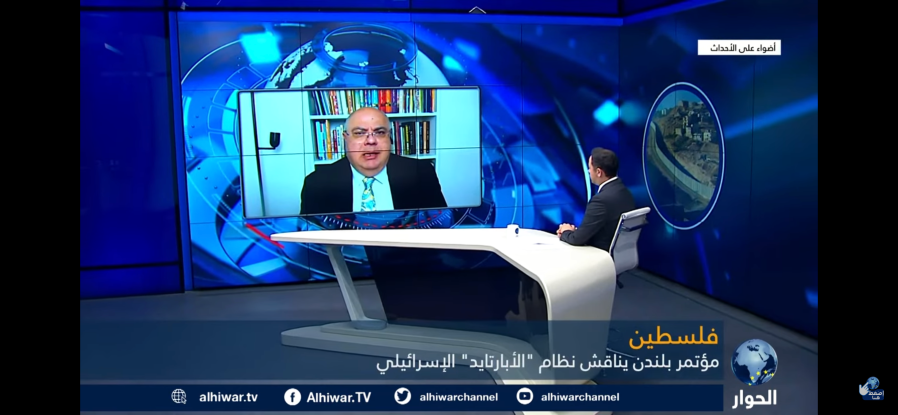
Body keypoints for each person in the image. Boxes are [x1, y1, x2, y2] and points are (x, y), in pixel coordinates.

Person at [300, 107, 448, 215]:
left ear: (389, 137)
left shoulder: (421, 173)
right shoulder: (317, 183)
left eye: (380, 132)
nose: (371, 141)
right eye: (359, 133)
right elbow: (311, 241)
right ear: (345, 139)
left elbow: (440, 228)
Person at [556, 147, 636, 251]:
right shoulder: (624, 192)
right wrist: (578, 232)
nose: (588, 171)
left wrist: (565, 231)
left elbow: (576, 240)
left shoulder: (600, 201)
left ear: (599, 172)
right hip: (621, 253)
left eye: (590, 168)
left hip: (600, 253)